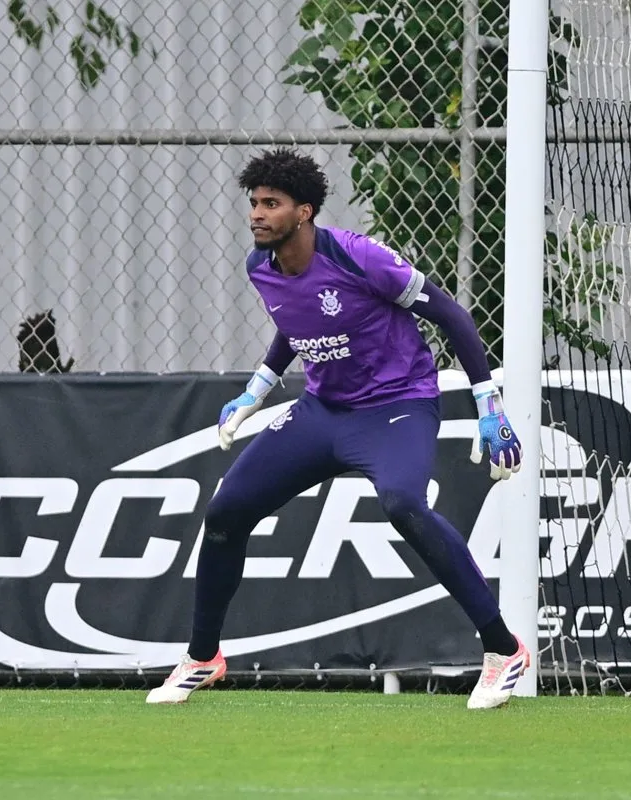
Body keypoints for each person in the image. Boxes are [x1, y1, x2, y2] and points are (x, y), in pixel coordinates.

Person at [146, 148, 528, 710]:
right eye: (253, 203)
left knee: (402, 503)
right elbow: (294, 323)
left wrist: (488, 406)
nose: (256, 214)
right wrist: (256, 390)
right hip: (323, 411)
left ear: (303, 211)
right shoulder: (260, 267)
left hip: (398, 405)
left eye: (270, 204)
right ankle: (203, 658)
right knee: (225, 513)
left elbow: (451, 314)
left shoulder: (359, 258)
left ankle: (503, 651)